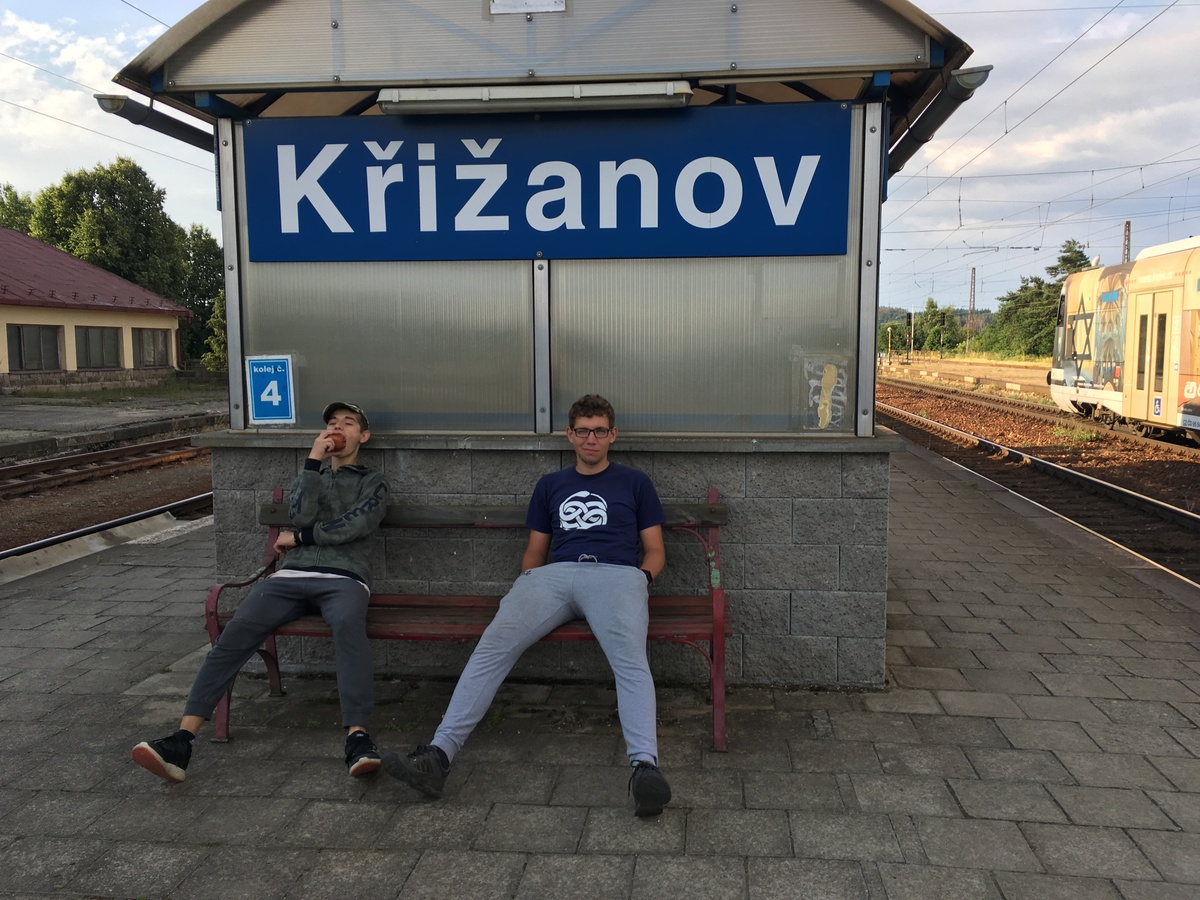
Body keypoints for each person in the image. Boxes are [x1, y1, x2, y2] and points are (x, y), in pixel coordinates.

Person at [383, 394, 672, 816]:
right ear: (570, 435)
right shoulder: (551, 485)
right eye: (583, 431)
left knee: (630, 658)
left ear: (613, 435)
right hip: (553, 577)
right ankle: (438, 755)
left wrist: (640, 579)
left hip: (615, 576)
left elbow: (655, 549)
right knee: (493, 646)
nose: (591, 439)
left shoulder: (635, 482)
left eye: (600, 431)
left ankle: (645, 768)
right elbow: (536, 549)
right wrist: (530, 579)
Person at [131, 401, 389, 783]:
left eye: (348, 423)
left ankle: (358, 737)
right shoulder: (311, 474)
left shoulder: (373, 482)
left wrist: (298, 538)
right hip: (290, 576)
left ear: (363, 436)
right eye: (332, 423)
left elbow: (357, 525)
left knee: (349, 628)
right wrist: (313, 462)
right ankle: (181, 741)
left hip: (344, 578)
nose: (337, 428)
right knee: (236, 634)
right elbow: (299, 515)